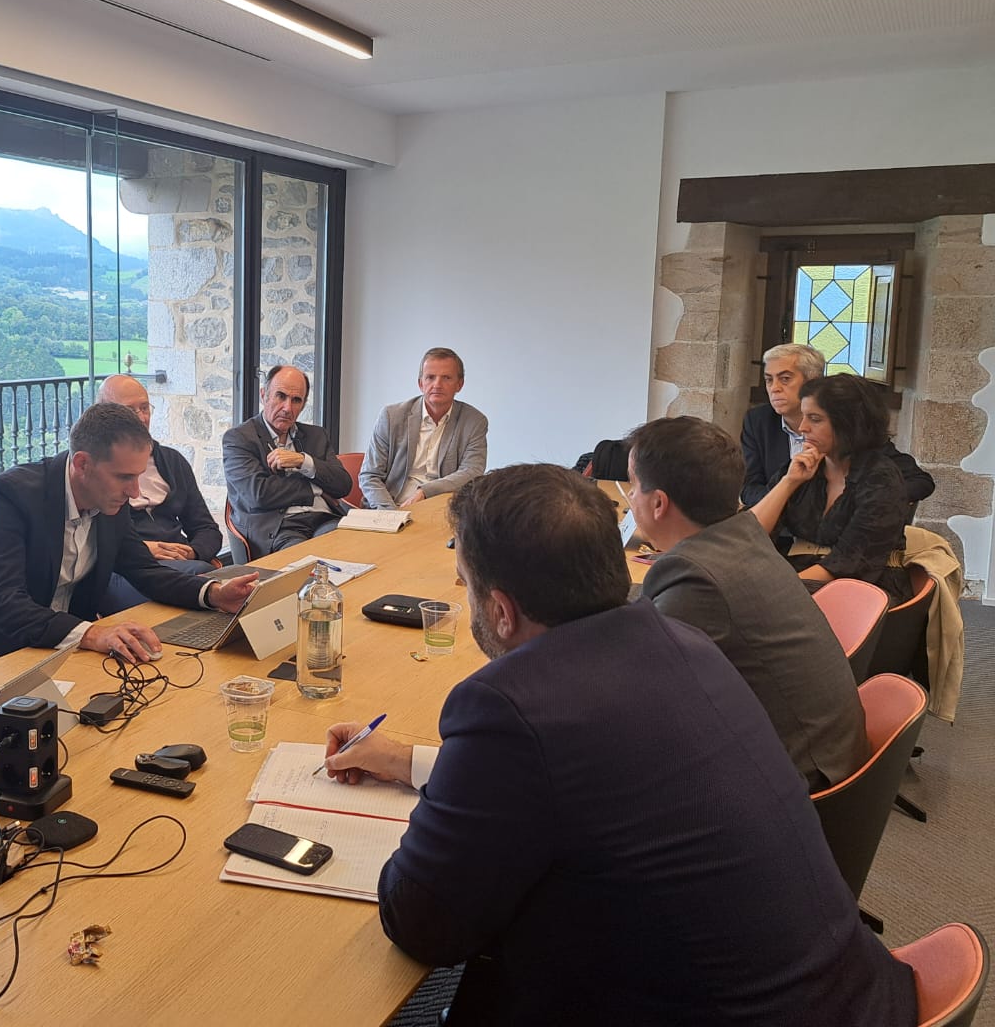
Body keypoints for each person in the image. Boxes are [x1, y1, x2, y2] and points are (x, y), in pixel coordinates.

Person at [322, 465, 914, 1025]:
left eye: (466, 583)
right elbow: (582, 782)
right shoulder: (682, 641)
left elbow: (422, 923)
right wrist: (415, 765)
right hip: (844, 997)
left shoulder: (510, 707)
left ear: (499, 610)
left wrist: (440, 812)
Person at [0, 403, 256, 678]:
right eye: (124, 477)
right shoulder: (10, 495)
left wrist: (213, 593)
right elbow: (2, 603)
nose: (135, 492)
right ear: (82, 464)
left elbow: (145, 570)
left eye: (138, 476)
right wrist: (91, 633)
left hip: (58, 648)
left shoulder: (108, 500)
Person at [624, 415, 867, 790]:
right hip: (826, 750)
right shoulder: (742, 537)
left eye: (633, 485)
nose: (629, 497)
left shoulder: (696, 576)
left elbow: (641, 687)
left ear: (658, 503)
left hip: (799, 779)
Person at [751, 373, 915, 603]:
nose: (802, 427)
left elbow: (849, 563)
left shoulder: (881, 479)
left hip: (864, 590)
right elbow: (749, 535)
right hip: (803, 578)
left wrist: (777, 592)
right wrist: (789, 482)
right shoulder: (804, 466)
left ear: (848, 423)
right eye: (803, 416)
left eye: (815, 419)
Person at [743, 342, 933, 508]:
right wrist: (785, 502)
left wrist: (855, 502)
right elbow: (749, 488)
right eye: (769, 380)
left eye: (785, 379)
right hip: (777, 527)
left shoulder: (845, 424)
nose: (774, 388)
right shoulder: (758, 421)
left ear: (812, 382)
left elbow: (920, 481)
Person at [95, 374, 222, 613]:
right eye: (130, 411)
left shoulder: (173, 461)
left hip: (183, 562)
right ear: (104, 414)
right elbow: (91, 542)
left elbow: (207, 528)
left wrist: (193, 551)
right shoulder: (98, 470)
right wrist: (143, 549)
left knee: (222, 585)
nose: (141, 418)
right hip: (125, 570)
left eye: (145, 408)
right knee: (207, 586)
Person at [222, 365, 352, 553]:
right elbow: (258, 494)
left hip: (323, 520)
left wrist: (303, 461)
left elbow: (343, 485)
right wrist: (315, 488)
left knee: (354, 547)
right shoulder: (239, 438)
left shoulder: (316, 435)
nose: (287, 408)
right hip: (278, 527)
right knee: (304, 560)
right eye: (280, 396)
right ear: (264, 395)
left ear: (303, 404)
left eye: (296, 400)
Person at [359, 347, 487, 509]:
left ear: (459, 384)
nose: (437, 384)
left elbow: (472, 471)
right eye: (430, 377)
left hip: (441, 508)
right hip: (389, 505)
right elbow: (370, 475)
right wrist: (390, 513)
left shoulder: (474, 421)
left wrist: (425, 492)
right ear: (421, 383)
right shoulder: (391, 416)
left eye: (446, 378)